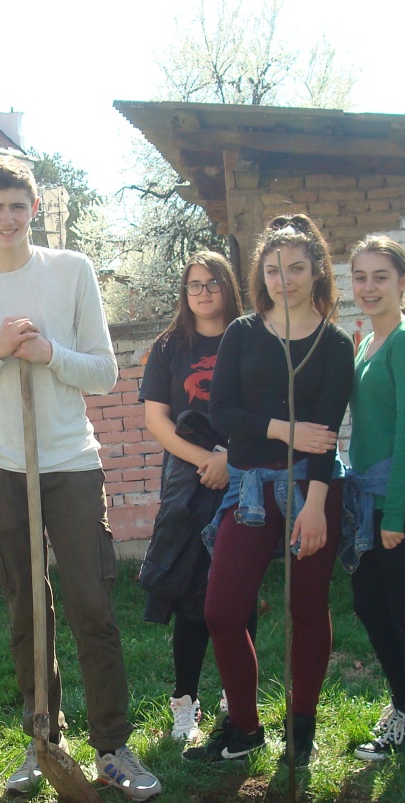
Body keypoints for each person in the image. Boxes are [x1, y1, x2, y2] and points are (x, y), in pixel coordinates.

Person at [0, 154, 162, 801]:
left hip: (69, 462)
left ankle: (112, 747)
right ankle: (42, 740)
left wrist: (49, 352)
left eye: (17, 206)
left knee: (92, 605)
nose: (7, 218)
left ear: (33, 209)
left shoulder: (70, 270)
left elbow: (104, 373)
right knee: (27, 610)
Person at [185, 213, 354, 766]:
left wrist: (317, 506)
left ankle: (301, 729)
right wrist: (284, 429)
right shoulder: (243, 333)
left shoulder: (335, 344)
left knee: (307, 607)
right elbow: (222, 412)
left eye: (297, 268)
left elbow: (325, 436)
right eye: (274, 270)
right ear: (262, 274)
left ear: (317, 270)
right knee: (222, 610)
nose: (285, 280)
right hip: (250, 488)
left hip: (312, 487)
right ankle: (245, 728)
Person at [340, 235, 405, 760]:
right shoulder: (368, 341)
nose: (369, 287)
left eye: (380, 277)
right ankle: (402, 704)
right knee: (370, 605)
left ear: (404, 282)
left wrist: (396, 512)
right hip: (366, 499)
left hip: (395, 500)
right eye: (360, 277)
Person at [138, 251, 250, 743]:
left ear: (228, 286)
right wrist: (205, 460)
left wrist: (231, 459)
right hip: (189, 482)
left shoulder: (250, 338)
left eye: (212, 283)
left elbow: (266, 409)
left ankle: (236, 694)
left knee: (237, 589)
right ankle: (185, 700)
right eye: (194, 285)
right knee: (189, 592)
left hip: (244, 476)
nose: (203, 293)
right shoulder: (169, 347)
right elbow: (156, 419)